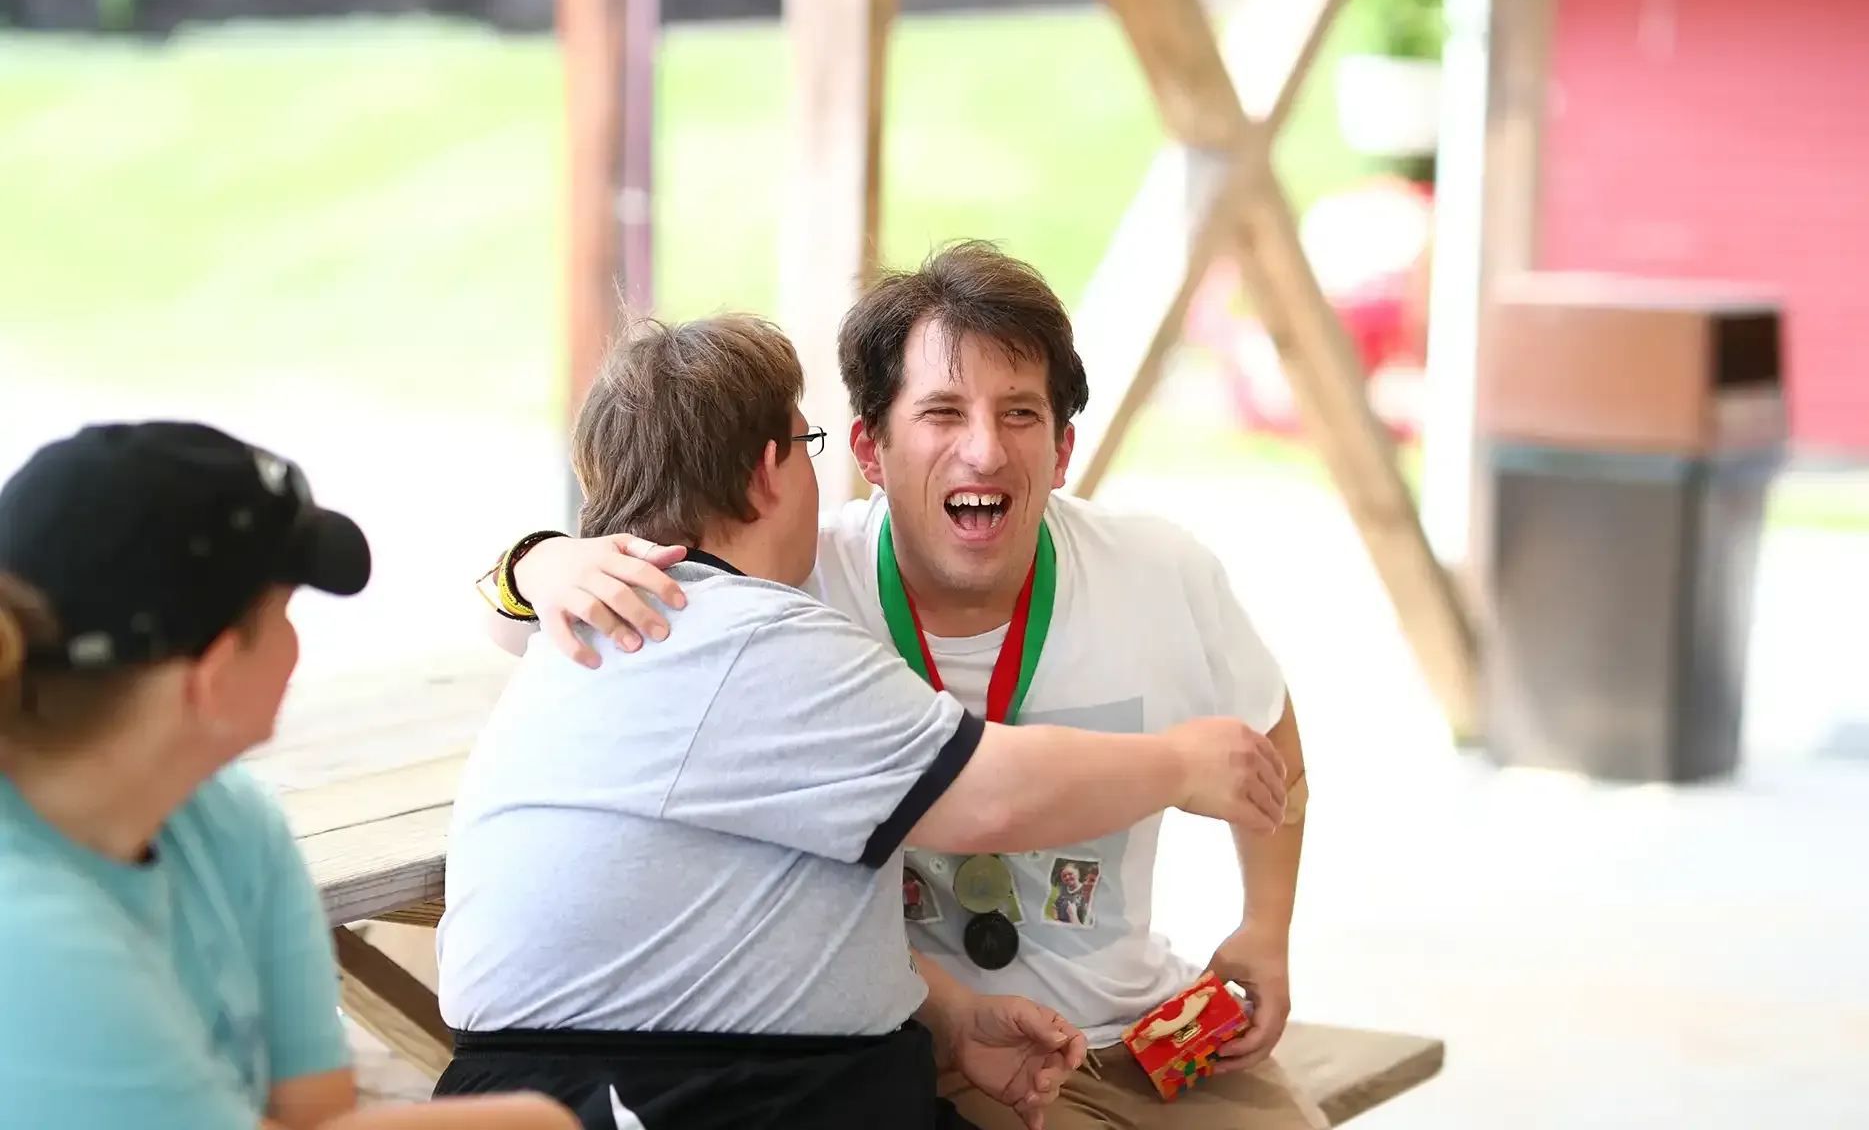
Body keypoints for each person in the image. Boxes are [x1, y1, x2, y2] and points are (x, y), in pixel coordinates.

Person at [491, 242, 1326, 1130]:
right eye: (941, 412)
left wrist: (1264, 927)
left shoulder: (1161, 571)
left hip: (1144, 1030)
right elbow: (550, 632)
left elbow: (1268, 735)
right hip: (944, 1055)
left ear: (1063, 447)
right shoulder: (793, 590)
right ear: (870, 449)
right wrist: (538, 565)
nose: (985, 449)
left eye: (1020, 414)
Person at [0, 421, 578, 1130]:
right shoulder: (28, 933)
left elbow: (315, 1112)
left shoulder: (232, 823)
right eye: (284, 613)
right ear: (211, 679)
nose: (298, 643)